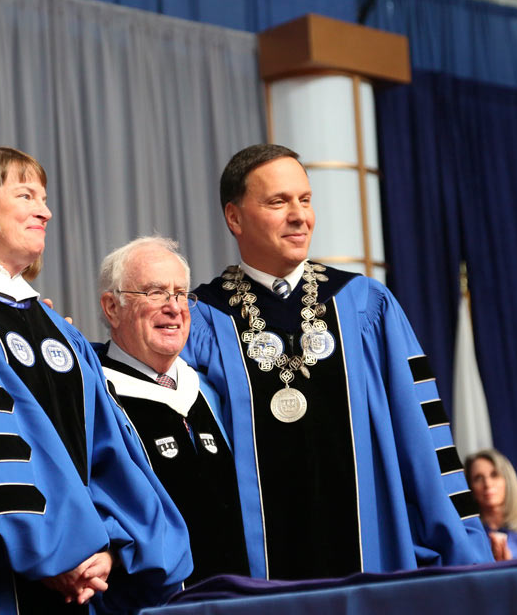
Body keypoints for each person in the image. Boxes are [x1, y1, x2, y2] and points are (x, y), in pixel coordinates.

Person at [0, 147, 191, 614]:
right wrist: (50, 550)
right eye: (26, 194)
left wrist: (109, 545)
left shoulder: (58, 328)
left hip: (83, 578)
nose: (45, 211)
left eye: (45, 198)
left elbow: (107, 447)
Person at [180, 143, 491, 580]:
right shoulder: (201, 320)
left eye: (305, 200)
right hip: (254, 573)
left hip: (371, 559)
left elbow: (422, 436)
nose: (299, 215)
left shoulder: (365, 304)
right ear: (234, 217)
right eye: (278, 201)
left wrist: (463, 551)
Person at [97, 236, 250, 586]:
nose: (174, 307)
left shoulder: (211, 391)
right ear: (112, 307)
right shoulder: (94, 395)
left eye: (180, 294)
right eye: (154, 293)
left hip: (239, 597)